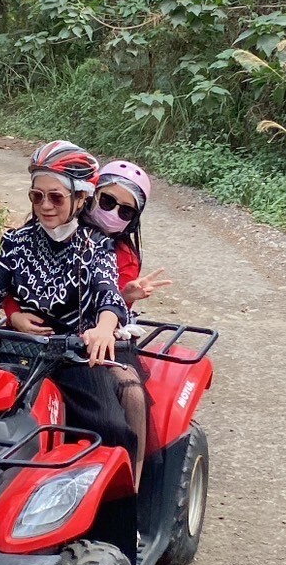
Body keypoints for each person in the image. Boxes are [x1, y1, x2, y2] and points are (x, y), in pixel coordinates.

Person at [0, 141, 138, 468]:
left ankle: (121, 514)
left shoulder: (97, 246)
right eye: (37, 196)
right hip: (14, 349)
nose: (45, 205)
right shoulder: (16, 242)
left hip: (73, 357)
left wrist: (104, 330)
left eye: (56, 196)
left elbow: (108, 294)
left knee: (112, 430)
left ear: (81, 198)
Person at [9, 159, 172, 486]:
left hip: (100, 335)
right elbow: (8, 280)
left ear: (132, 220)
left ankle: (131, 490)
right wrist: (13, 312)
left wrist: (124, 296)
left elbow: (112, 302)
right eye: (108, 201)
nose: (113, 213)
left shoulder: (124, 254)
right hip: (39, 330)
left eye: (125, 211)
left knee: (131, 395)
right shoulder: (51, 227)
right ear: (89, 196)